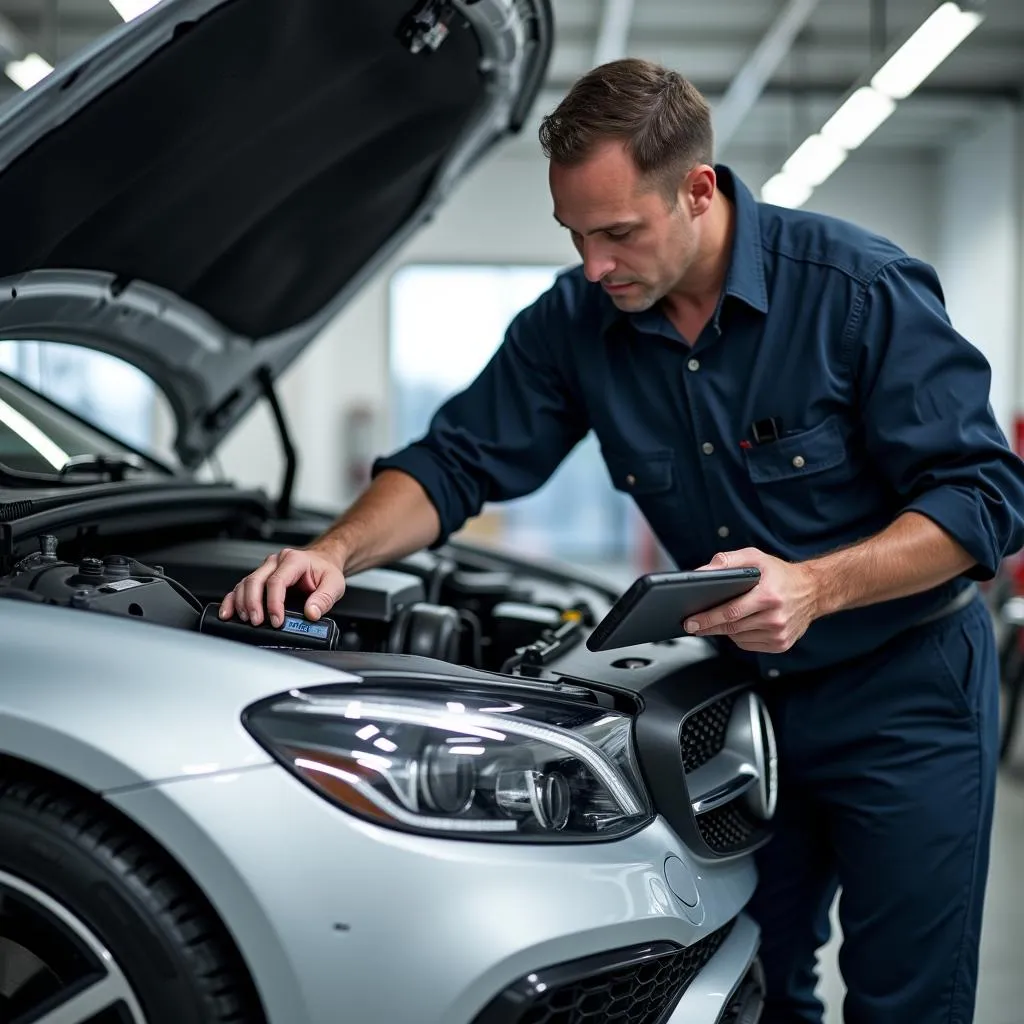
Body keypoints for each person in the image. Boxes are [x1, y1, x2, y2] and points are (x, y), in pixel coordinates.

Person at [219, 58, 1024, 1023]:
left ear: (697, 189)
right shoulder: (577, 321)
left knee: (907, 1000)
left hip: (906, 694)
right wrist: (337, 552)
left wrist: (816, 587)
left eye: (617, 233)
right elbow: (456, 461)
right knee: (754, 979)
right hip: (739, 711)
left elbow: (982, 497)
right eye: (576, 236)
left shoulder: (856, 292)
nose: (594, 266)